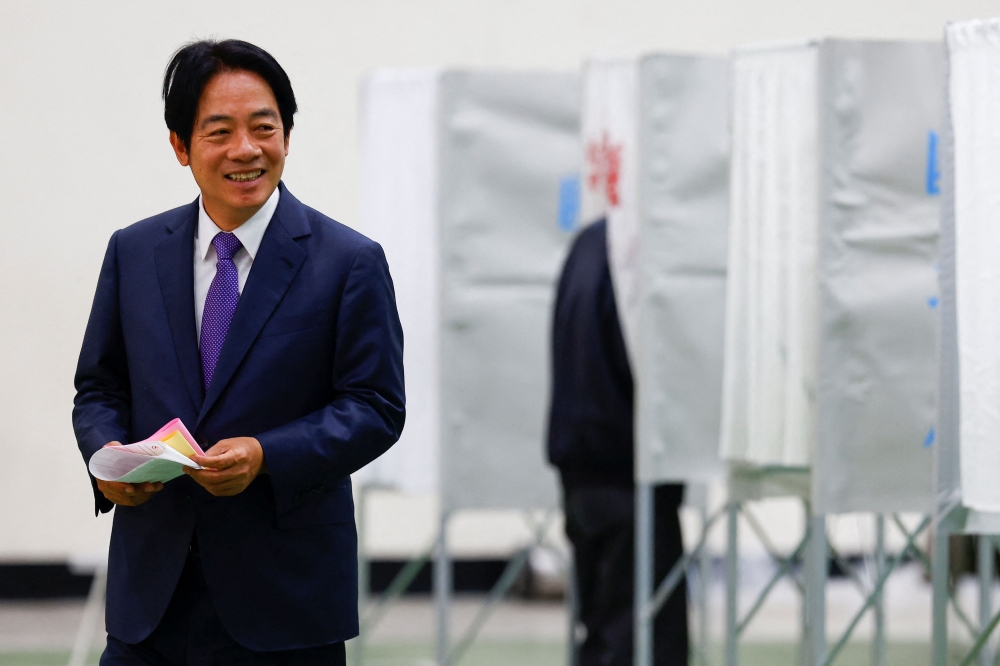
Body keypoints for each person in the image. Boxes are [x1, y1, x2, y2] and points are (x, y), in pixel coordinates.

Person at [72, 39, 405, 665]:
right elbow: (99, 389)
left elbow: (376, 407)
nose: (246, 150)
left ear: (286, 134)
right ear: (180, 146)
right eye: (219, 131)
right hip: (150, 604)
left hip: (286, 606)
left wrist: (266, 454)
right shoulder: (134, 252)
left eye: (264, 127)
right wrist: (106, 458)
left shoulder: (349, 262)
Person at [547, 219, 687, 666]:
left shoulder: (589, 243)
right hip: (628, 469)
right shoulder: (641, 250)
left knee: (603, 629)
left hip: (582, 469)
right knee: (638, 638)